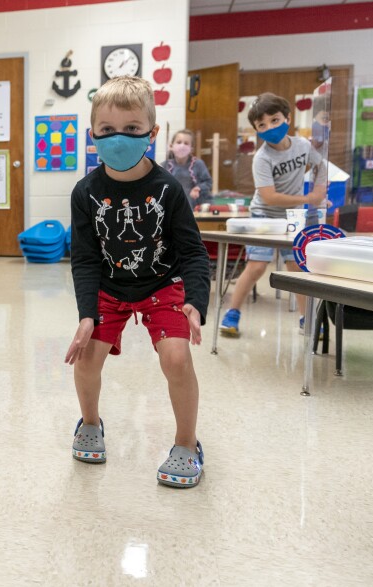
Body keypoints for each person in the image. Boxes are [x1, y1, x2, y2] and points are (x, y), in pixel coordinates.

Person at [65, 76, 210, 488]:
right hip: (109, 288)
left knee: (178, 360)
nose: (119, 139)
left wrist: (195, 302)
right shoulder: (85, 192)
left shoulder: (168, 189)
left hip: (161, 286)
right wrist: (87, 314)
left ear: (152, 132)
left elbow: (194, 252)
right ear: (93, 133)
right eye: (107, 131)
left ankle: (187, 444)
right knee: (86, 358)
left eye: (131, 130)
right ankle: (90, 422)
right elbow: (86, 259)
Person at [219, 93, 327, 337]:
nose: (270, 127)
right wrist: (309, 199)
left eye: (275, 120)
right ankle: (232, 314)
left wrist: (320, 189)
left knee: (296, 266)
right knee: (257, 266)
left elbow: (320, 165)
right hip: (264, 215)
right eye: (262, 125)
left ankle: (305, 319)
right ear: (257, 130)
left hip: (293, 216)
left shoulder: (302, 145)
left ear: (288, 118)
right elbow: (269, 197)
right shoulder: (262, 158)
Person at [163, 129, 212, 208]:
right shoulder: (165, 166)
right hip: (174, 207)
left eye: (186, 143)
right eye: (179, 142)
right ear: (171, 146)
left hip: (196, 207)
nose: (182, 146)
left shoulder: (198, 164)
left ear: (191, 149)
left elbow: (208, 182)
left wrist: (198, 188)